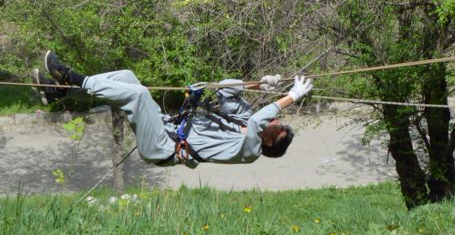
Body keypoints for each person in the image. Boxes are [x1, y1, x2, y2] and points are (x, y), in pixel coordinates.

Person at [38, 51, 311, 168]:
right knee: (126, 77)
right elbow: (224, 89)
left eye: (278, 127)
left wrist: (291, 97)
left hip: (163, 148)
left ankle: (69, 76)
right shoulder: (243, 119)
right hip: (164, 126)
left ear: (269, 141)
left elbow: (257, 122)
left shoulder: (250, 151)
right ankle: (58, 92)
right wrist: (259, 85)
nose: (276, 121)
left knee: (138, 96)